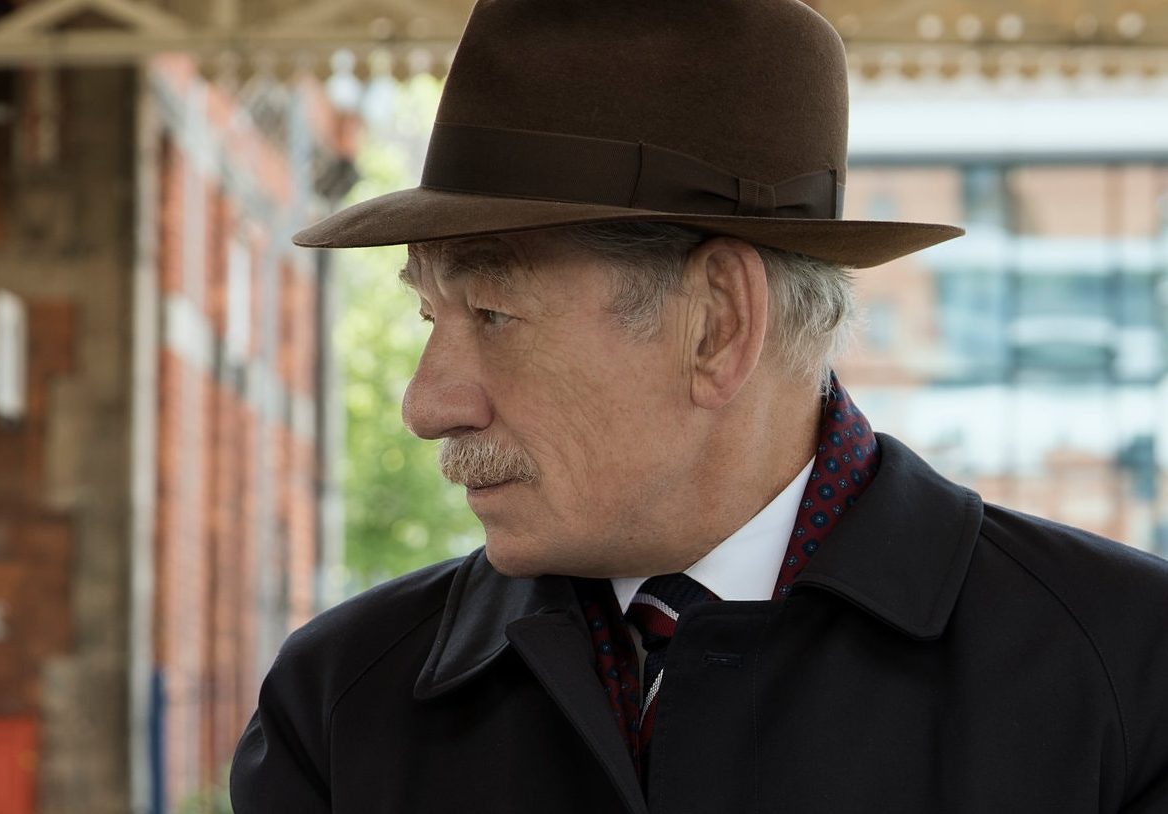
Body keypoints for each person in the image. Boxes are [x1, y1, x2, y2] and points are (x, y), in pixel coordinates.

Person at [232, 1, 1168, 811]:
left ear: (717, 324)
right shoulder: (337, 703)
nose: (426, 404)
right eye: (430, 316)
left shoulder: (1135, 675)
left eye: (492, 313)